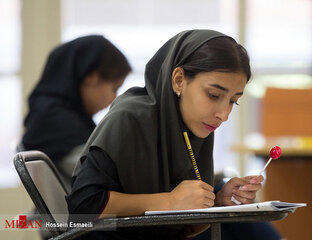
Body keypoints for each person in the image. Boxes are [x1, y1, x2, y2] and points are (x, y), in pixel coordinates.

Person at [67, 30, 264, 239]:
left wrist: (216, 201)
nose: (224, 115)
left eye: (233, 101)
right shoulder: (130, 117)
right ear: (179, 80)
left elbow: (182, 229)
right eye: (213, 95)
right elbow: (83, 206)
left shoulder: (194, 125)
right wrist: (170, 201)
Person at [21, 35, 132, 187]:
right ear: (91, 77)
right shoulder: (55, 123)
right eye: (114, 88)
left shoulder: (58, 116)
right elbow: (104, 176)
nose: (115, 98)